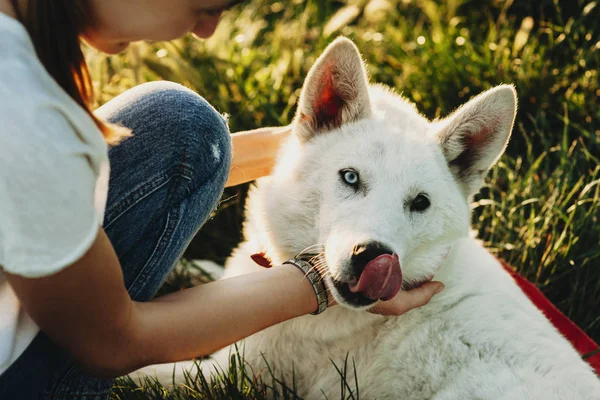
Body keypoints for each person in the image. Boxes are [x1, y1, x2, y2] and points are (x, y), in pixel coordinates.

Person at [0, 0, 445, 398]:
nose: (207, 30)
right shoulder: (31, 121)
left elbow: (41, 187)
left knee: (180, 122)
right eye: (208, 6)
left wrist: (316, 144)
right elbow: (112, 343)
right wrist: (316, 280)